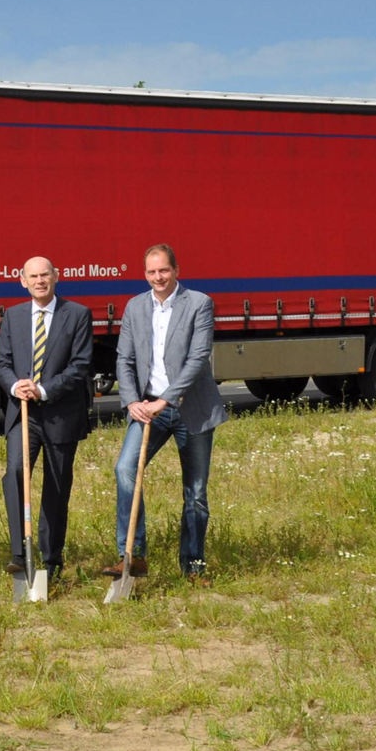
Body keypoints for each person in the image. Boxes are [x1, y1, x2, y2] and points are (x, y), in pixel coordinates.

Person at [108, 244, 226, 580]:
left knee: (196, 493)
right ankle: (132, 555)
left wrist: (166, 400)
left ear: (176, 270)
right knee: (125, 469)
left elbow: (198, 359)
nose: (158, 277)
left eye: (163, 270)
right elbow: (124, 359)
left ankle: (193, 567)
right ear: (144, 274)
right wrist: (132, 401)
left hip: (193, 409)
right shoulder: (135, 307)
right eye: (152, 272)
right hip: (148, 409)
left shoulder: (199, 303)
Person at [0, 256, 93, 579]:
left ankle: (51, 561)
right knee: (15, 472)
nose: (39, 281)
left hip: (60, 414)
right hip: (23, 414)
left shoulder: (77, 314)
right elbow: (2, 363)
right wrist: (15, 386)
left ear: (56, 277)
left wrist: (44, 390)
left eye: (45, 275)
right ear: (23, 281)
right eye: (33, 276)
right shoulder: (13, 316)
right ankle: (19, 553)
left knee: (56, 485)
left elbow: (80, 366)